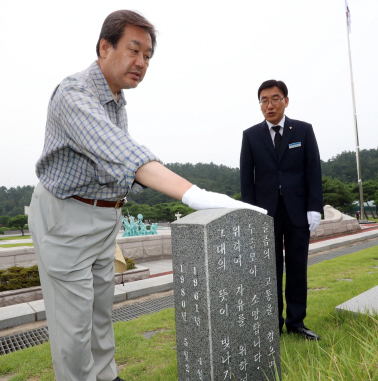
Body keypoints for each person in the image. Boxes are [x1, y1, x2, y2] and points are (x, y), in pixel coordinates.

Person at [29, 10, 265, 381]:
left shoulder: (117, 99)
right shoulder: (73, 95)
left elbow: (116, 166)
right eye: (133, 50)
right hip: (66, 215)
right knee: (73, 329)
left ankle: (107, 377)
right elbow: (120, 151)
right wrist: (193, 193)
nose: (141, 63)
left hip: (104, 217)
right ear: (104, 47)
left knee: (99, 316)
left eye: (148, 56)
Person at [240, 80, 323, 341]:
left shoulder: (303, 130)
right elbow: (246, 179)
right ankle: (271, 324)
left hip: (298, 211)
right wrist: (250, 212)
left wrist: (314, 207)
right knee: (269, 270)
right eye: (264, 100)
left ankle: (296, 322)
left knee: (298, 267)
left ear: (286, 100)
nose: (269, 105)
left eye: (275, 98)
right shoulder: (251, 135)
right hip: (266, 214)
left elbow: (313, 171)